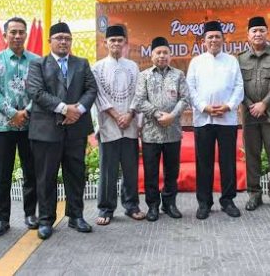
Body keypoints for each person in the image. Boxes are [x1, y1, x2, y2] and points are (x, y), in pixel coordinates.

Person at [26, 22, 97, 240]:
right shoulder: (38, 64)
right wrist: (65, 109)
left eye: (67, 38)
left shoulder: (82, 63)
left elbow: (91, 89)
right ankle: (46, 219)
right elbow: (36, 92)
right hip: (46, 131)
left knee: (75, 174)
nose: (64, 41)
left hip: (75, 131)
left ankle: (76, 216)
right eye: (59, 38)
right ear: (50, 41)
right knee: (46, 176)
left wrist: (79, 109)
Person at [0, 17, 39, 237]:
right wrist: (12, 113)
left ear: (26, 35)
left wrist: (25, 112)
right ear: (5, 35)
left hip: (30, 125)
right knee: (4, 174)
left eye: (21, 32)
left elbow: (39, 90)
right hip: (3, 126)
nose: (17, 36)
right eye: (13, 32)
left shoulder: (36, 61)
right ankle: (2, 219)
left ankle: (30, 214)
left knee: (31, 172)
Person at [186, 21, 244, 220]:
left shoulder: (232, 61)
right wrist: (205, 107)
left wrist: (228, 106)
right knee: (204, 163)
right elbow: (190, 89)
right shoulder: (196, 62)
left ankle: (228, 200)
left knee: (228, 162)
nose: (214, 40)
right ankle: (204, 202)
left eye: (217, 37)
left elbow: (239, 87)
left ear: (223, 39)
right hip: (203, 119)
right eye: (210, 37)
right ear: (203, 41)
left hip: (227, 119)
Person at [92, 25, 145, 226]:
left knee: (130, 169)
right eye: (112, 40)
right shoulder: (97, 68)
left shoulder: (133, 66)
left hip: (129, 125)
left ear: (125, 43)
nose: (115, 43)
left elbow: (138, 94)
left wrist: (130, 115)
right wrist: (116, 116)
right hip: (109, 125)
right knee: (108, 170)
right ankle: (106, 208)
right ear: (105, 43)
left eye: (119, 40)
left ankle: (131, 205)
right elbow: (99, 96)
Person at [133, 36, 189, 222]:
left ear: (170, 55)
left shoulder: (178, 75)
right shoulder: (144, 76)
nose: (162, 56)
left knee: (172, 171)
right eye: (158, 52)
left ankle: (169, 203)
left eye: (165, 52)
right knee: (151, 172)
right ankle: (153, 206)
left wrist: (172, 116)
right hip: (151, 133)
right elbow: (140, 101)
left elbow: (184, 99)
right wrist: (158, 114)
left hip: (173, 132)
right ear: (152, 55)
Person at [238, 16, 270, 211]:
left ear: (267, 33)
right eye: (254, 31)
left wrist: (264, 104)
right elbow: (237, 85)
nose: (258, 34)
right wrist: (251, 105)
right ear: (248, 35)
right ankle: (254, 194)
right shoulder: (240, 58)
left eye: (261, 30)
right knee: (252, 156)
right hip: (250, 116)